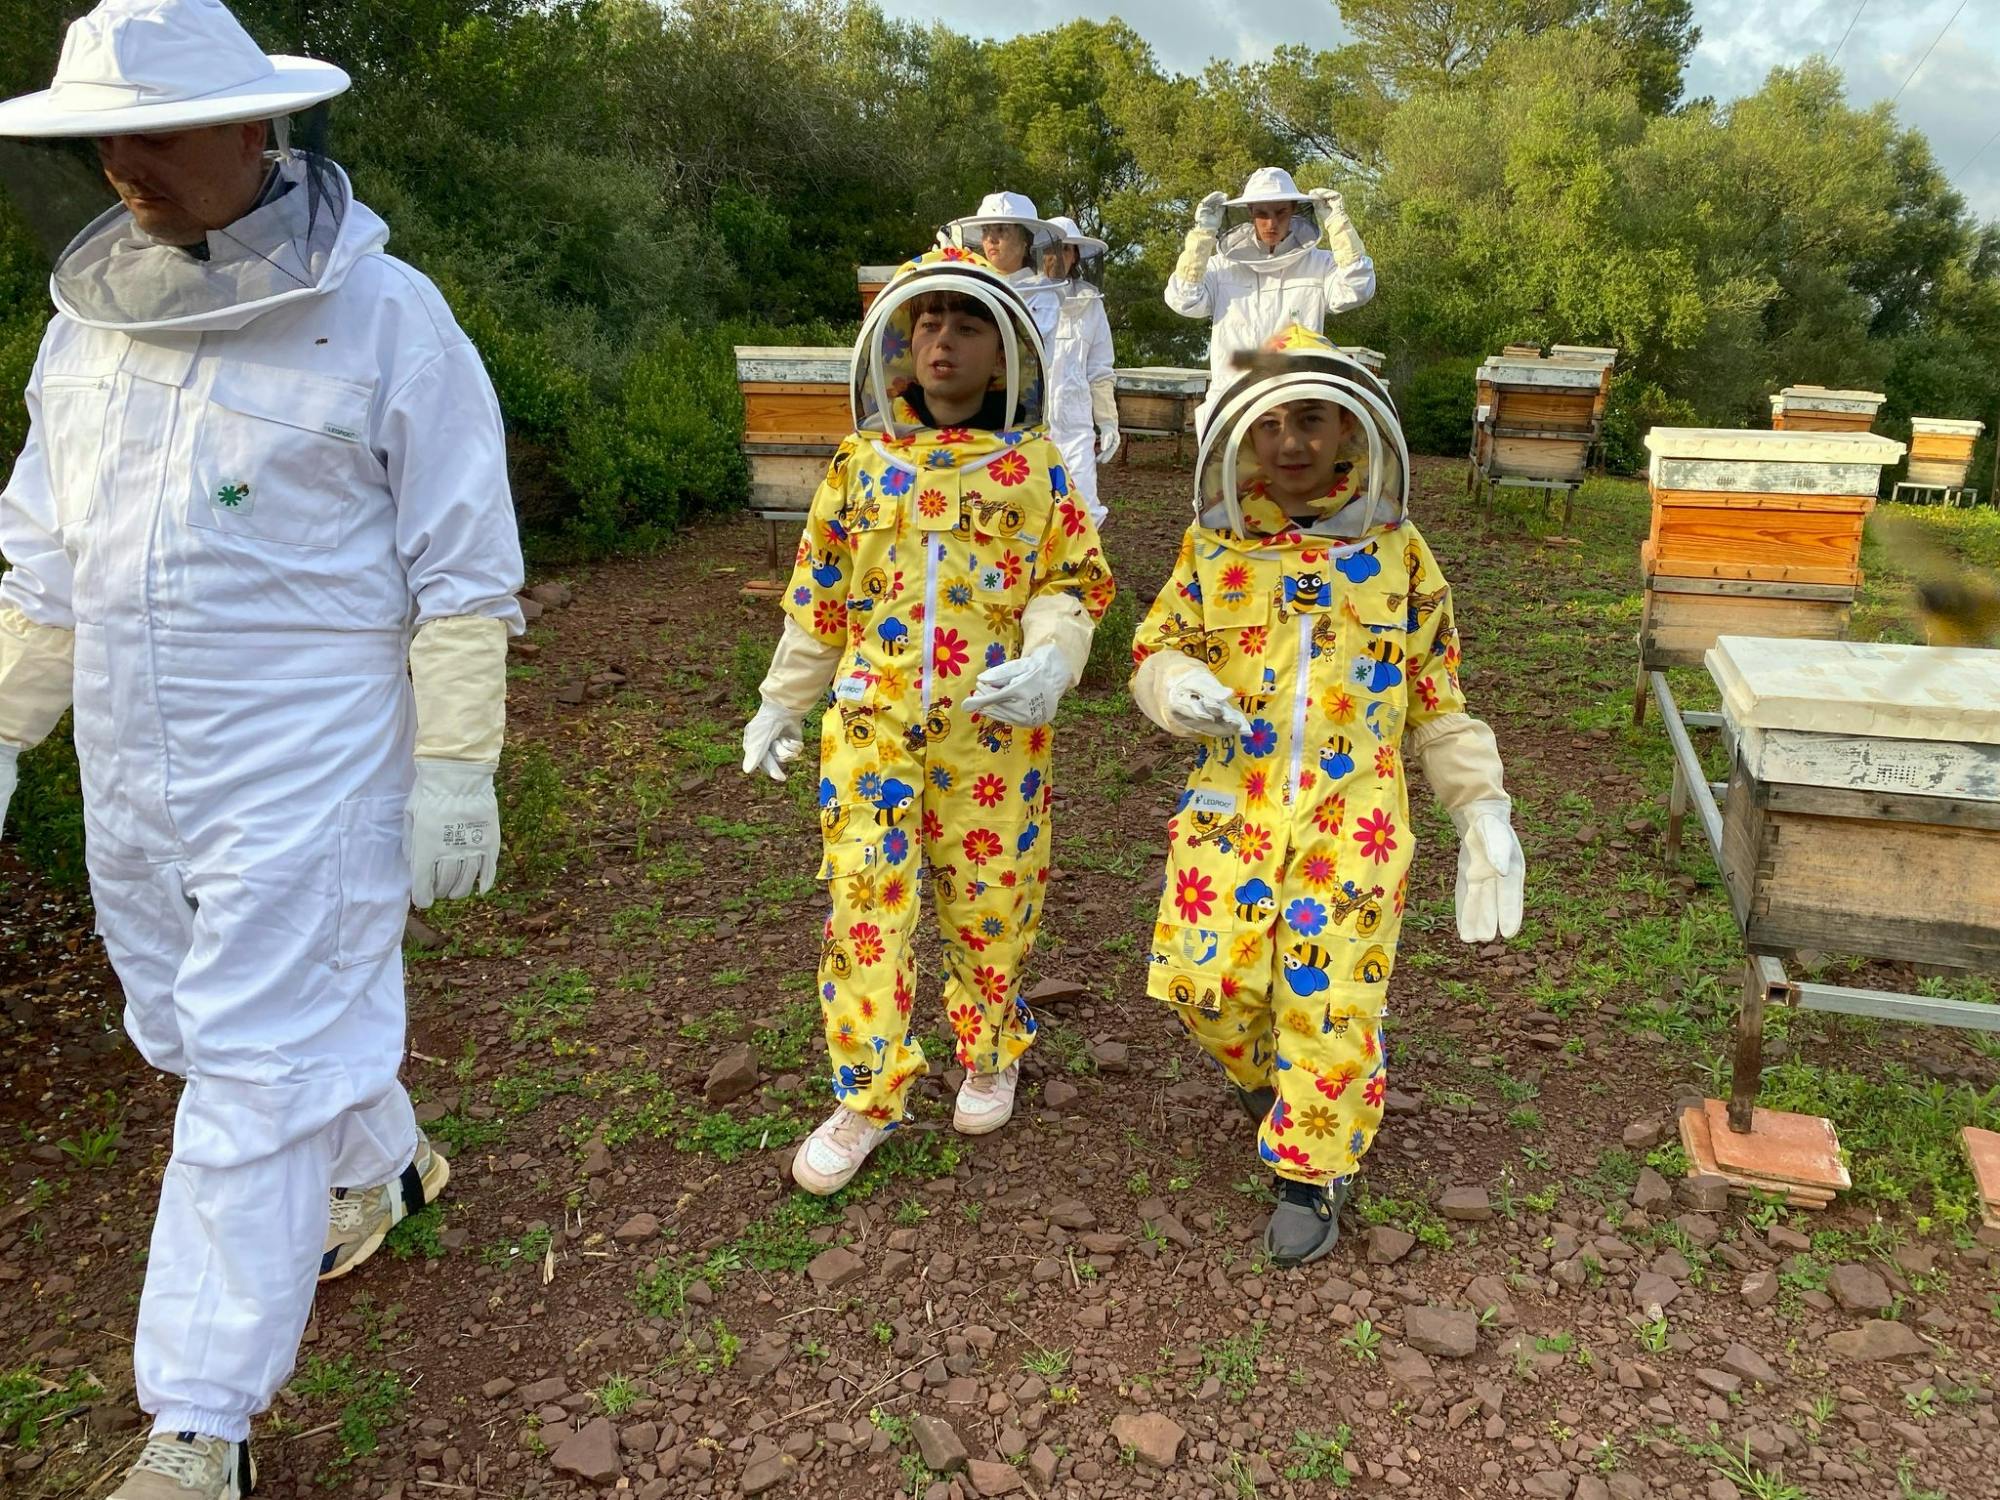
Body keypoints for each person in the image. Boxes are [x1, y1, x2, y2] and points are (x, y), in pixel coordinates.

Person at [0, 2, 524, 1494]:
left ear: (256, 126)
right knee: (183, 1024)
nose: (123, 164)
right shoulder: (84, 323)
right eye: (101, 136)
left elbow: (465, 566)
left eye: (155, 129)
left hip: (311, 767)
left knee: (249, 1066)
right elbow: (42, 568)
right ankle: (390, 1161)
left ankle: (199, 1423)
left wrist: (454, 764)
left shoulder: (390, 319)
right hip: (132, 768)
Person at [1128, 326, 1523, 1269]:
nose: (1293, 442)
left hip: (1359, 814)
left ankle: (1312, 1164)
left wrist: (1482, 808)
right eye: (1272, 423)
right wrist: (1175, 684)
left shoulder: (1402, 556)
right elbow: (1153, 650)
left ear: (1351, 428)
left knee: (1334, 998)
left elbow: (1438, 697)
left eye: (1313, 418)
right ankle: (1277, 1075)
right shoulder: (1210, 548)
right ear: (1242, 437)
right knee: (1205, 987)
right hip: (1232, 803)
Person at [741, 249, 1114, 1195]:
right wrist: (781, 700)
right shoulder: (860, 466)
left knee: (991, 902)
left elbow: (1071, 584)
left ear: (1007, 354)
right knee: (864, 906)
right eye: (930, 324)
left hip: (993, 739)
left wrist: (1052, 660)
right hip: (870, 728)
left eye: (968, 325)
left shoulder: (1035, 471)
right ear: (903, 343)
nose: (944, 342)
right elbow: (822, 595)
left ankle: (991, 1046)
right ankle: (867, 1092)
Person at [1164, 167, 1376, 436]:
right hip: (1231, 404)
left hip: (1294, 406)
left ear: (1294, 210)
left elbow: (1358, 288)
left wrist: (1339, 225)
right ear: (1251, 212)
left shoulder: (1318, 264)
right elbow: (1183, 299)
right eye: (1262, 214)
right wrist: (1201, 237)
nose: (1271, 224)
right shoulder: (1222, 268)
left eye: (1280, 212)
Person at [1040, 215, 1119, 526]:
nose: (1056, 257)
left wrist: (1108, 421)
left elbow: (1100, 369)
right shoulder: (1023, 296)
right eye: (1050, 249)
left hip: (1075, 427)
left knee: (1083, 511)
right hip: (1029, 427)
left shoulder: (1091, 303)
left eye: (1065, 250)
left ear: (1075, 256)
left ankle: (1081, 574)